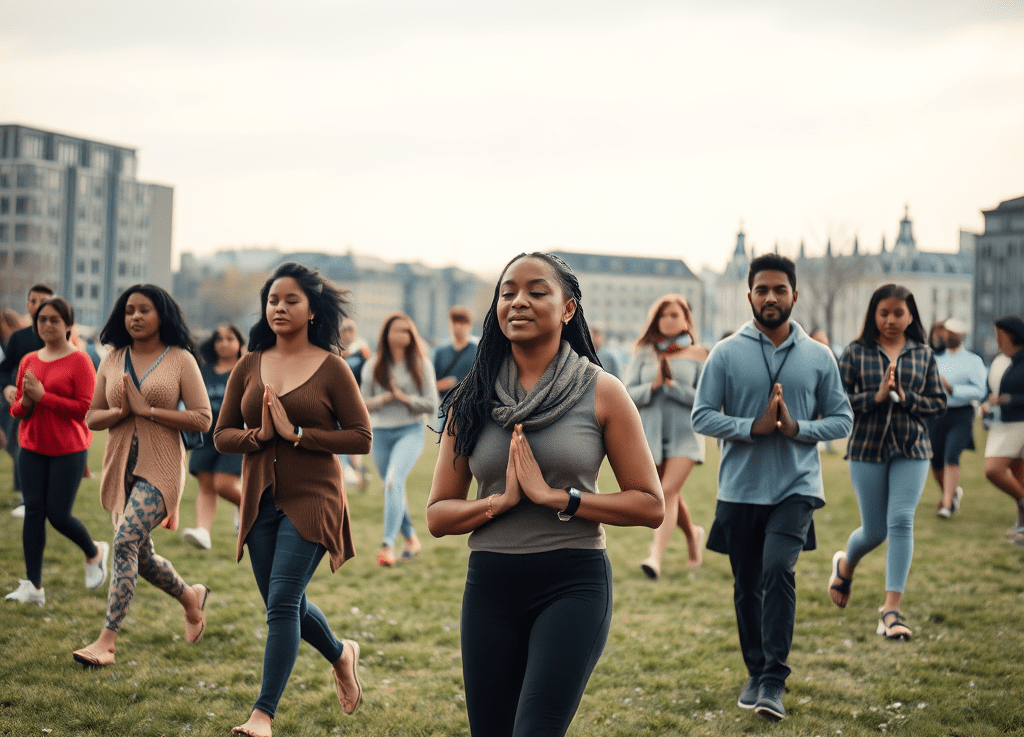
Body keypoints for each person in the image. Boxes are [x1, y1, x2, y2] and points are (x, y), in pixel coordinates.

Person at [427, 252, 665, 737]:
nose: (519, 301)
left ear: (568, 309)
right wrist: (499, 502)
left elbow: (650, 503)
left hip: (572, 583)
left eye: (537, 292)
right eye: (508, 292)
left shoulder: (603, 391)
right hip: (490, 585)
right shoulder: (472, 399)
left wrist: (561, 498)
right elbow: (437, 514)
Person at [692, 253, 852, 722]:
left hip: (796, 488)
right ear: (749, 296)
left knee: (779, 570)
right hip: (739, 490)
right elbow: (701, 416)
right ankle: (756, 670)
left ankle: (773, 681)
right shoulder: (725, 353)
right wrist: (752, 427)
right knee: (747, 587)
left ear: (794, 295)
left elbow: (842, 419)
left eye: (780, 289)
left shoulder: (818, 356)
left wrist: (798, 428)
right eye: (761, 289)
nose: (770, 297)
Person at [214, 262, 371, 737]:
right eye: (273, 300)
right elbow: (222, 435)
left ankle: (262, 714)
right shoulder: (249, 363)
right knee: (285, 604)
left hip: (314, 497)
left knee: (282, 602)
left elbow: (361, 436)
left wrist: (299, 434)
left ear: (312, 310)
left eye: (291, 300)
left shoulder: (332, 367)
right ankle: (341, 654)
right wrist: (260, 436)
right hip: (259, 499)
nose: (279, 308)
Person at [71, 284, 213, 669]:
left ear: (161, 315)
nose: (135, 316)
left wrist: (148, 410)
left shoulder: (180, 359)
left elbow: (203, 418)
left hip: (162, 468)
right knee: (141, 556)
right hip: (120, 468)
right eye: (129, 310)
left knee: (124, 540)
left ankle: (107, 642)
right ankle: (191, 598)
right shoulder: (112, 358)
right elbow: (92, 416)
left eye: (144, 310)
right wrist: (121, 412)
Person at [828, 285, 946, 642]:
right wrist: (875, 397)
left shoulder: (923, 355)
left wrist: (906, 398)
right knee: (875, 531)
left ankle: (891, 610)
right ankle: (845, 565)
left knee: (901, 521)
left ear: (911, 316)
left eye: (898, 313)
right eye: (884, 313)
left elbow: (938, 403)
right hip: (866, 448)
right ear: (873, 315)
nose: (891, 320)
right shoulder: (855, 352)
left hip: (913, 448)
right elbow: (837, 401)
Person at [5, 297, 109, 606]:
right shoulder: (29, 360)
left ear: (68, 325)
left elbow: (86, 410)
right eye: (42, 319)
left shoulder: (80, 361)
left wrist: (43, 397)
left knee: (58, 516)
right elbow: (18, 409)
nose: (47, 324)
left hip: (68, 450)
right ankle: (33, 586)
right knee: (33, 512)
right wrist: (24, 402)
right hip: (31, 447)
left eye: (54, 319)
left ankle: (95, 551)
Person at [626, 294, 708, 578]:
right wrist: (653, 387)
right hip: (650, 436)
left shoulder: (699, 354)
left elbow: (706, 399)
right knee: (670, 492)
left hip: (686, 437)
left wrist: (674, 388)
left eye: (675, 315)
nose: (669, 320)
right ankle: (693, 536)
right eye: (663, 315)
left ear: (686, 320)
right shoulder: (643, 352)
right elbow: (627, 394)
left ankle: (655, 558)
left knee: (667, 492)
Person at [362, 312, 438, 566]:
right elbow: (362, 403)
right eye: (397, 330)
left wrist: (404, 398)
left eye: (407, 330)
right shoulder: (373, 365)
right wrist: (385, 398)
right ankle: (412, 539)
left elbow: (431, 404)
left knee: (393, 481)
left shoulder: (421, 364)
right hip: (381, 433)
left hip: (410, 431)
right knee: (391, 486)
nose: (403, 335)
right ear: (387, 334)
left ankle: (387, 546)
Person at [181, 323, 245, 550]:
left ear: (240, 344)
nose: (224, 343)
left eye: (230, 338)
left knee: (224, 484)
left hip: (235, 436)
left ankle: (249, 507)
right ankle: (203, 532)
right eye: (219, 339)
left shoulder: (245, 369)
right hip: (205, 436)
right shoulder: (203, 370)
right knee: (206, 484)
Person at [1, 283, 54, 518]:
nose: (38, 305)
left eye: (44, 301)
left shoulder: (59, 337)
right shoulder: (19, 338)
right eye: (34, 301)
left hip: (50, 406)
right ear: (27, 305)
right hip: (23, 406)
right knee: (19, 448)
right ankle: (26, 497)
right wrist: (7, 386)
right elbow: (4, 369)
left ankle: (44, 497)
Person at [927, 317, 987, 517]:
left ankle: (947, 505)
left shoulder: (973, 361)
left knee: (951, 456)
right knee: (935, 461)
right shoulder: (935, 359)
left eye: (953, 333)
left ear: (961, 336)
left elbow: (980, 390)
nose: (948, 337)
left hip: (961, 414)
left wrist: (953, 389)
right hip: (936, 414)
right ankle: (951, 494)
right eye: (946, 333)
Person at [980, 315, 1024, 542]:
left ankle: (1023, 507)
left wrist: (1008, 399)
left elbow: (1009, 396)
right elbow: (989, 391)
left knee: (993, 470)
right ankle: (1021, 526)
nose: (996, 338)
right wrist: (985, 405)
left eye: (1000, 334)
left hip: (1019, 424)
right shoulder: (999, 361)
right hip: (1000, 423)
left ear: (1013, 335)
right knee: (1019, 477)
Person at [340, 317, 372, 490]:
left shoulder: (362, 352)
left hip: (357, 404)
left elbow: (371, 375)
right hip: (337, 404)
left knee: (353, 442)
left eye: (350, 329)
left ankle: (358, 473)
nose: (347, 333)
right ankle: (349, 474)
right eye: (343, 329)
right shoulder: (334, 351)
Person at [433, 305, 477, 402]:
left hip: (472, 404)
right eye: (455, 322)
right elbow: (429, 386)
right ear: (450, 324)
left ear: (470, 326)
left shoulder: (478, 351)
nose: (458, 326)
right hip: (446, 405)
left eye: (462, 323)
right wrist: (441, 384)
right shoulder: (440, 352)